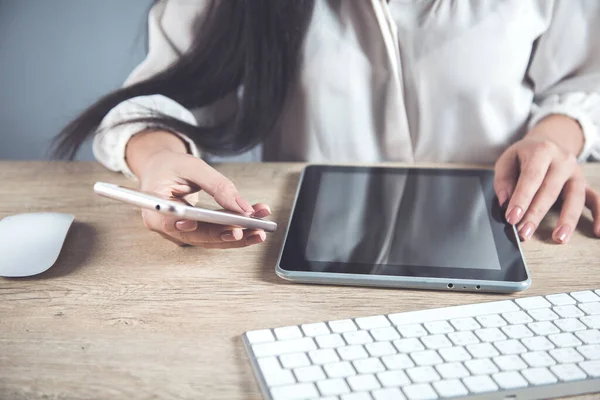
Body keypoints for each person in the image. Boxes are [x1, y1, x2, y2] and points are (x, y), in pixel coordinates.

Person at [54, 0, 600, 248]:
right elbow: (153, 103)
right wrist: (158, 159)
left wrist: (553, 138)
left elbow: (583, 80)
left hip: (501, 235)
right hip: (316, 253)